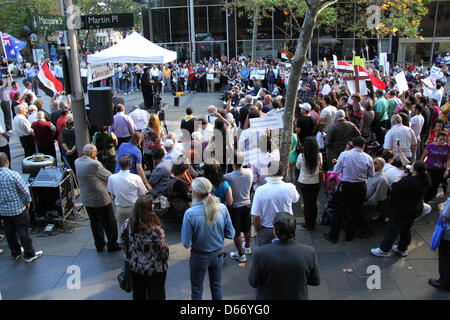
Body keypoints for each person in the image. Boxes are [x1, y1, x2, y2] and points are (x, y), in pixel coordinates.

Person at [181, 177, 235, 300]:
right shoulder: (222, 208)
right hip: (218, 254)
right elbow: (231, 233)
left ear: (195, 193)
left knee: (197, 289)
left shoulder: (190, 213)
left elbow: (186, 243)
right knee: (216, 287)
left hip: (198, 256)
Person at [248, 212, 320, 300]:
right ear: (294, 230)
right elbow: (315, 280)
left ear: (275, 231)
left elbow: (253, 282)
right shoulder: (309, 252)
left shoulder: (261, 253)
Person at [371, 161, 430, 257]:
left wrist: (400, 178)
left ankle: (384, 249)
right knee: (406, 230)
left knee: (392, 230)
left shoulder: (410, 180)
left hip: (401, 210)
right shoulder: (424, 180)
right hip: (413, 209)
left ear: (414, 169)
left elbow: (395, 187)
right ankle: (402, 248)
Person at [324, 136, 375, 243]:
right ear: (363, 146)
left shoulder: (345, 154)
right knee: (354, 211)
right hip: (360, 187)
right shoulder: (368, 157)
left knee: (338, 211)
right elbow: (371, 174)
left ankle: (334, 236)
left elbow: (336, 171)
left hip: (346, 186)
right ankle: (349, 236)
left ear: (352, 144)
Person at [121, 194, 169, 300]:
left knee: (139, 293)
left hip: (135, 266)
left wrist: (129, 258)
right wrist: (164, 262)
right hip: (155, 268)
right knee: (157, 294)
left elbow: (124, 244)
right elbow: (164, 251)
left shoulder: (127, 225)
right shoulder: (156, 231)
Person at [75, 144, 121, 253]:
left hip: (87, 198)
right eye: (95, 152)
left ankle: (99, 244)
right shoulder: (94, 164)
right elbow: (108, 176)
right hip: (100, 198)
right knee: (109, 222)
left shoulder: (77, 162)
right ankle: (112, 243)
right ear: (92, 153)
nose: (96, 154)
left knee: (94, 223)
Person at [0, 152, 43, 262]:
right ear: (7, 162)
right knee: (23, 231)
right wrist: (28, 202)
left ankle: (15, 252)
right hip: (18, 209)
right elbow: (24, 191)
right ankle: (29, 254)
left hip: (3, 210)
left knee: (9, 232)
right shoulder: (13, 175)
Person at [251, 161, 300, 246]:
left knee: (265, 256)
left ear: (268, 173)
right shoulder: (290, 187)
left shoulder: (260, 190)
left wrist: (257, 229)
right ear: (283, 173)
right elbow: (296, 200)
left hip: (267, 229)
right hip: (287, 228)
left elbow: (255, 216)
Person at [224, 151, 253, 262]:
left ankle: (241, 254)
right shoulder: (249, 172)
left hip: (234, 207)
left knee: (236, 231)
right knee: (247, 227)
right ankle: (248, 247)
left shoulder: (228, 177)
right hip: (247, 204)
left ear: (232, 162)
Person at [107, 155, 147, 233]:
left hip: (120, 208)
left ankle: (122, 243)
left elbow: (112, 193)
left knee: (121, 229)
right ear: (130, 165)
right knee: (136, 229)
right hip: (134, 207)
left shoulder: (112, 178)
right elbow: (142, 194)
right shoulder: (136, 178)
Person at [296, 137, 323, 230]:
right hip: (316, 182)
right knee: (313, 202)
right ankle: (313, 222)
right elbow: (320, 166)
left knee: (307, 202)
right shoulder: (319, 155)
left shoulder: (301, 156)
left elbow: (298, 166)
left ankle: (308, 222)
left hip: (304, 182)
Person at [360, 157, 389, 238]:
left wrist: (366, 204)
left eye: (376, 163)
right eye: (373, 162)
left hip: (377, 202)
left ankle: (368, 230)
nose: (373, 164)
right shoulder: (372, 173)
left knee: (363, 211)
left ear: (381, 166)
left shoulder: (382, 179)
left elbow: (377, 196)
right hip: (368, 198)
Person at [421, 132, 450, 203]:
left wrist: (447, 169)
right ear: (437, 139)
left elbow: (448, 159)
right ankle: (425, 199)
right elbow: (423, 157)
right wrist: (423, 167)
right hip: (430, 168)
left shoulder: (448, 147)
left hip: (441, 169)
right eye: (441, 139)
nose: (442, 141)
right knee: (429, 185)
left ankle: (429, 198)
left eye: (444, 140)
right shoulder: (430, 146)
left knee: (435, 186)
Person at [429, 197, 450, 291]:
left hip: (448, 235)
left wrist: (441, 207)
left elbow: (445, 217)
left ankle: (445, 282)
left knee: (445, 257)